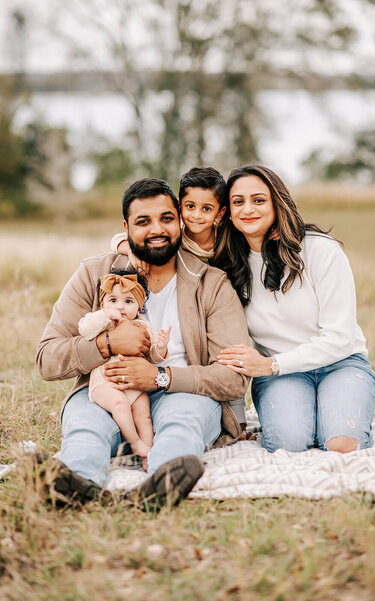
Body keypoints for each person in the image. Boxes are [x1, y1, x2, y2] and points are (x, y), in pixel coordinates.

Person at [36, 177, 250, 508]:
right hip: (108, 389)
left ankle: (157, 487)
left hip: (183, 391)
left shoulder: (211, 282)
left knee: (182, 425)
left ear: (179, 220)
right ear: (125, 227)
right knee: (85, 430)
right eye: (143, 221)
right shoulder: (95, 273)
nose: (157, 229)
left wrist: (160, 377)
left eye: (166, 218)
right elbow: (47, 359)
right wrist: (106, 344)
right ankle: (74, 486)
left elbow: (235, 377)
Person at [216, 164, 375, 454]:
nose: (248, 209)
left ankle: (337, 412)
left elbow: (340, 337)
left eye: (259, 200)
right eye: (238, 202)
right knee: (288, 445)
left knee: (341, 444)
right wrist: (124, 244)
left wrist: (270, 365)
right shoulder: (228, 264)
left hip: (340, 363)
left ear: (277, 203)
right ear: (227, 211)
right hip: (281, 375)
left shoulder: (319, 250)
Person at [110, 166, 248, 430]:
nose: (196, 215)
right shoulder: (173, 236)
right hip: (188, 295)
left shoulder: (227, 242)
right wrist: (128, 248)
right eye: (189, 207)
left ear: (220, 213)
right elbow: (126, 236)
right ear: (180, 208)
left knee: (230, 350)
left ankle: (237, 418)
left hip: (220, 296)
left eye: (206, 209)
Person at [79, 268, 171, 466]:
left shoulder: (143, 326)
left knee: (144, 414)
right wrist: (105, 316)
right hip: (105, 383)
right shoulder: (102, 323)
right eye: (113, 300)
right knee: (120, 404)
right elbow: (84, 329)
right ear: (102, 303)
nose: (119, 307)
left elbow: (151, 354)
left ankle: (148, 454)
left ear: (138, 308)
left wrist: (161, 348)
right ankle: (136, 443)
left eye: (128, 301)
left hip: (134, 386)